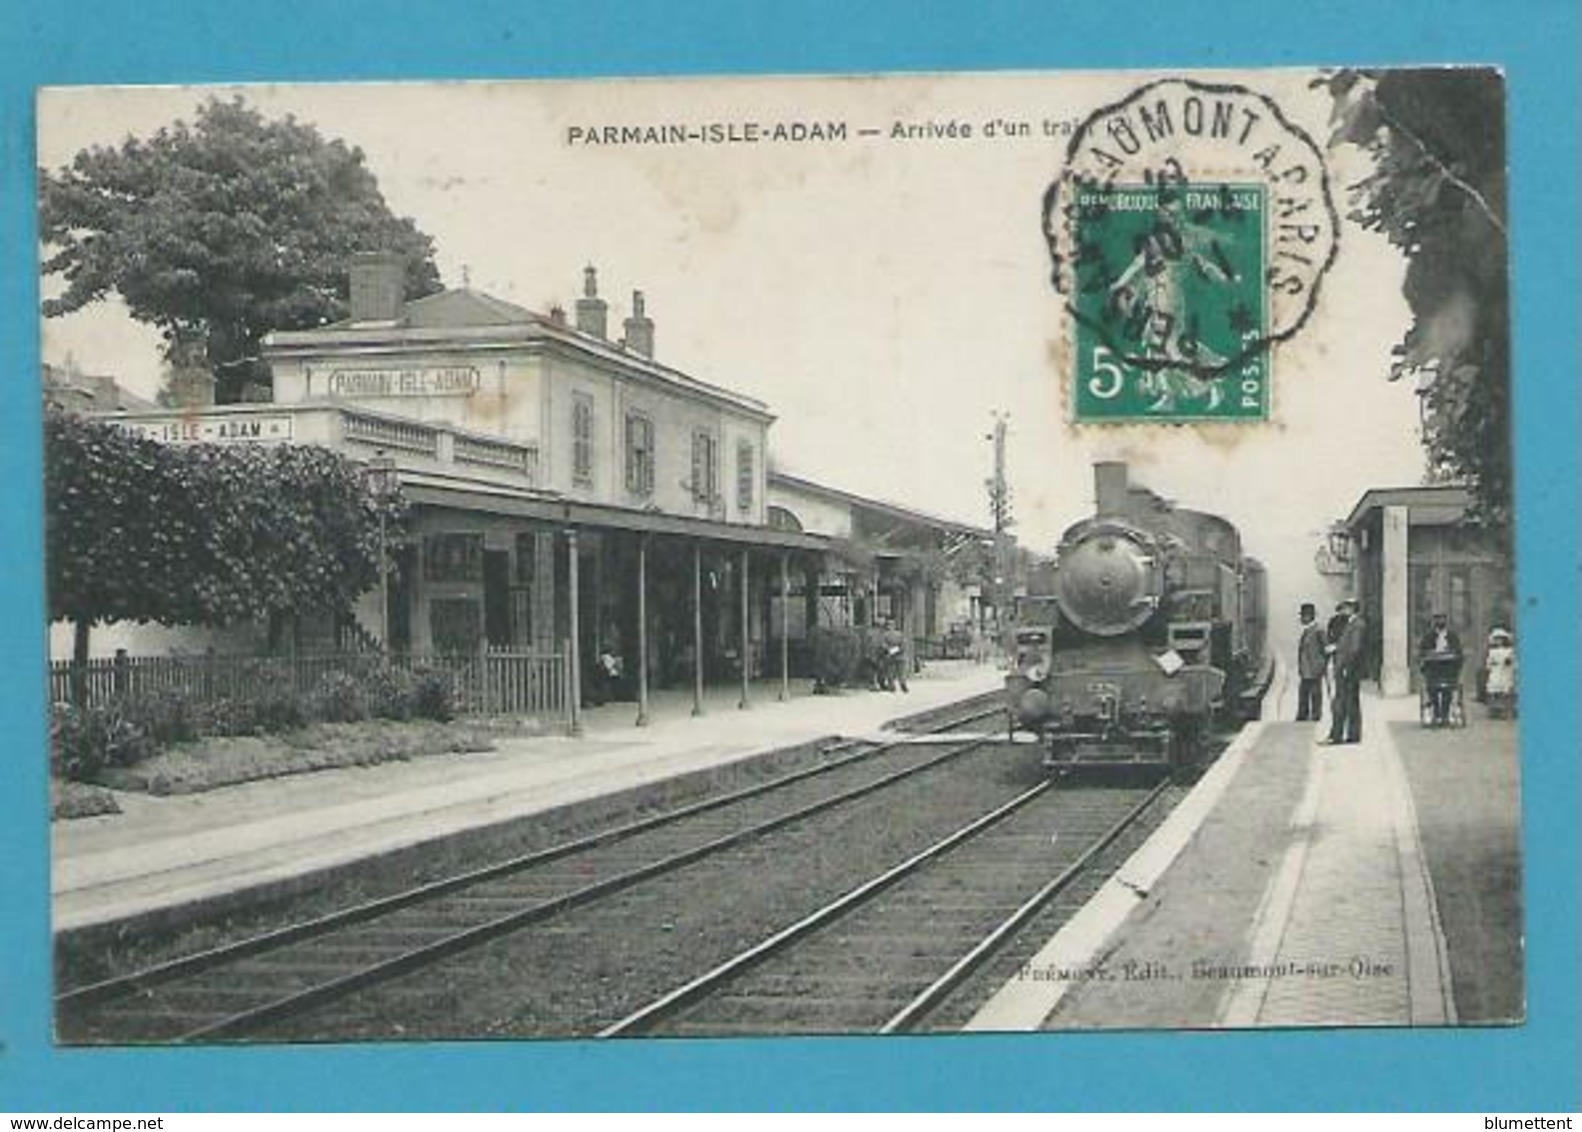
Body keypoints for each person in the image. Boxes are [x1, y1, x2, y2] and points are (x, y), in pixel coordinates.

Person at [1324, 599, 1365, 745]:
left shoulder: (1357, 625)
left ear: (1353, 609)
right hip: (1346, 668)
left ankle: (1342, 735)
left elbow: (1354, 649)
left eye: (1346, 607)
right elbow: (1347, 645)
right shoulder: (1351, 623)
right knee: (1346, 702)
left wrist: (1347, 666)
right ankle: (1347, 735)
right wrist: (1336, 647)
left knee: (1345, 702)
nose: (1344, 610)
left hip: (1348, 669)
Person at [1417, 612, 1463, 727]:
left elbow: (1458, 652)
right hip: (1433, 670)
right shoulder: (1428, 636)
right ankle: (1437, 714)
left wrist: (1451, 655)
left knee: (1448, 690)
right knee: (1433, 689)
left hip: (1449, 670)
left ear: (1446, 621)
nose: (1440, 622)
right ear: (1434, 622)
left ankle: (1445, 715)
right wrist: (1431, 654)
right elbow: (1422, 652)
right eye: (1437, 619)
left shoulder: (1452, 636)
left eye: (1442, 619)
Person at [1295, 602, 1327, 722]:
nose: (1301, 619)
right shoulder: (1308, 630)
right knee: (1304, 693)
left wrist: (1321, 665)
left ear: (1309, 616)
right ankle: (1303, 715)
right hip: (1306, 669)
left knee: (1315, 694)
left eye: (1303, 616)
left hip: (1314, 668)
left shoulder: (1319, 630)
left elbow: (1325, 648)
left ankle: (1315, 716)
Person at [1484, 626, 1516, 719]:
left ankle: (1506, 711)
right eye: (1496, 639)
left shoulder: (1509, 650)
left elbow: (1513, 662)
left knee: (1505, 690)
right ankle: (1494, 710)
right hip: (1496, 671)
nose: (1499, 641)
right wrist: (1491, 664)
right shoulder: (1492, 651)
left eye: (1500, 639)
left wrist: (1509, 661)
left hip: (1505, 671)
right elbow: (1488, 663)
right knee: (1493, 688)